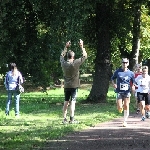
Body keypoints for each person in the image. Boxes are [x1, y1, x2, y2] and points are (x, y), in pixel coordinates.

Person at [60, 39, 87, 124]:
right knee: (73, 102)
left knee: (66, 101)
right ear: (73, 57)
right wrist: (82, 46)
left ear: (67, 56)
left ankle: (64, 119)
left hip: (67, 86)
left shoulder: (64, 63)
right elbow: (85, 56)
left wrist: (66, 47)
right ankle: (72, 119)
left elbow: (61, 56)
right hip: (74, 86)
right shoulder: (75, 63)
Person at [111, 58, 135, 127]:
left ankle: (124, 121)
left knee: (126, 105)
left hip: (127, 91)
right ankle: (120, 108)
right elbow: (112, 78)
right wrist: (114, 84)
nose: (124, 64)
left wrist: (133, 87)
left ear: (128, 63)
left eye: (126, 62)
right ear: (121, 63)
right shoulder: (118, 72)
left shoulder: (131, 73)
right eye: (123, 62)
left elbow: (133, 82)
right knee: (119, 107)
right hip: (119, 91)